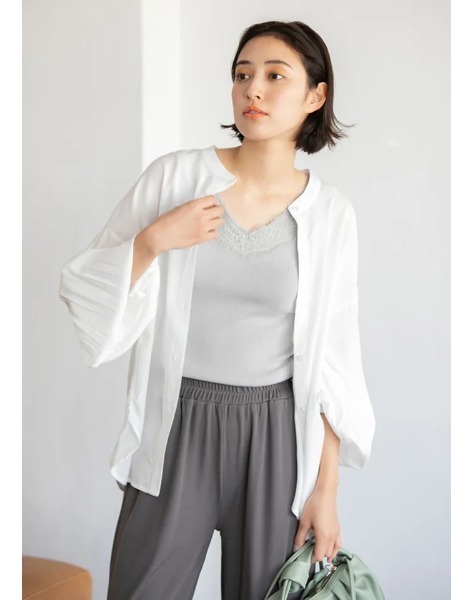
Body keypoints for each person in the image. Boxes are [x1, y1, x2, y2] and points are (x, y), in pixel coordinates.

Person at [58, 19, 376, 600]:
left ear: (315, 96)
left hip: (277, 435)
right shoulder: (176, 178)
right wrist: (153, 240)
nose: (253, 89)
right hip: (176, 423)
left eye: (275, 76)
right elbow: (85, 283)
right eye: (242, 74)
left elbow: (335, 364)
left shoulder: (331, 215)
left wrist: (325, 492)